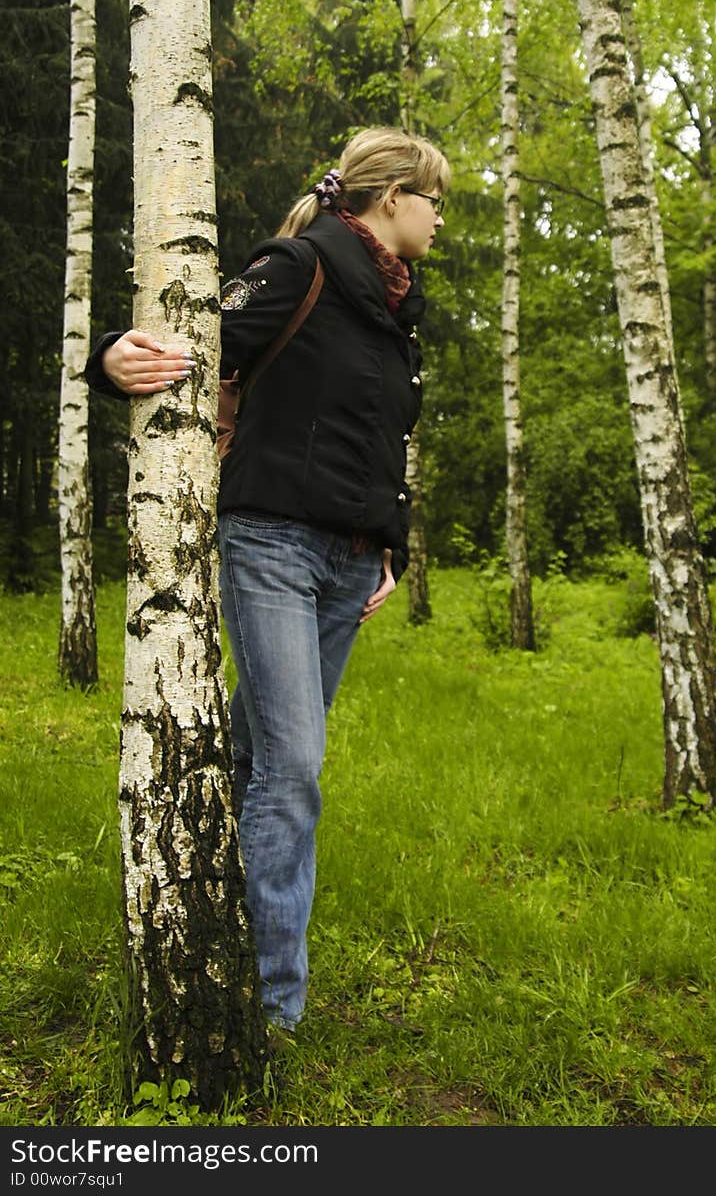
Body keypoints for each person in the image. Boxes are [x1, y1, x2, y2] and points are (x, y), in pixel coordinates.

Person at [85, 126, 450, 1036]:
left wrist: (390, 543)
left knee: (257, 757)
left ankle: (213, 929)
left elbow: (383, 441)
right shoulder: (300, 265)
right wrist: (107, 356)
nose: (442, 218)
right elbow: (190, 342)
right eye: (435, 199)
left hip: (349, 565)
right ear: (392, 196)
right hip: (274, 544)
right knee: (293, 768)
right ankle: (271, 1004)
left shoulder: (400, 309)